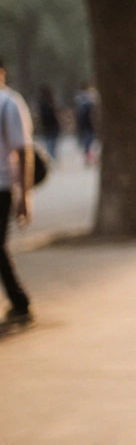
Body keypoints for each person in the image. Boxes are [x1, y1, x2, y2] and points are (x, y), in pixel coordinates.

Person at [0, 55, 34, 328]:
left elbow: (24, 152)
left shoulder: (9, 104)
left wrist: (24, 195)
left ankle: (20, 302)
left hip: (2, 186)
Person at [73, 82, 98, 166]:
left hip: (82, 126)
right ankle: (90, 157)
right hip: (90, 125)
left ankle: (87, 157)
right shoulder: (91, 99)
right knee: (90, 143)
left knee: (86, 144)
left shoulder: (78, 100)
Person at [36, 84, 60, 162]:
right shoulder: (51, 102)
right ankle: (52, 158)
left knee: (49, 144)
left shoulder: (41, 103)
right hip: (52, 126)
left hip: (47, 126)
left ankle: (51, 158)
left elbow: (39, 116)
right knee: (52, 144)